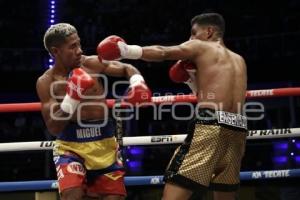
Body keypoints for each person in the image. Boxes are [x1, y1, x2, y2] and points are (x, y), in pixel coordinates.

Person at [97, 13, 248, 200]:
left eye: (194, 33)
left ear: (209, 31)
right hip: (238, 128)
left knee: (174, 191)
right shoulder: (238, 59)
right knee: (224, 192)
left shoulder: (200, 46)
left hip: (210, 126)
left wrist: (126, 50)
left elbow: (163, 52)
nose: (190, 39)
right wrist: (190, 82)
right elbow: (215, 96)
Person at [36, 23, 152, 200]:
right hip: (70, 147)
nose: (79, 51)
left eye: (79, 44)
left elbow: (127, 68)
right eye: (72, 46)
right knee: (71, 195)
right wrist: (73, 96)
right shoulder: (46, 82)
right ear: (56, 51)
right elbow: (53, 127)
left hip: (104, 143)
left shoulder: (90, 64)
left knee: (115, 198)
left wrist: (137, 83)